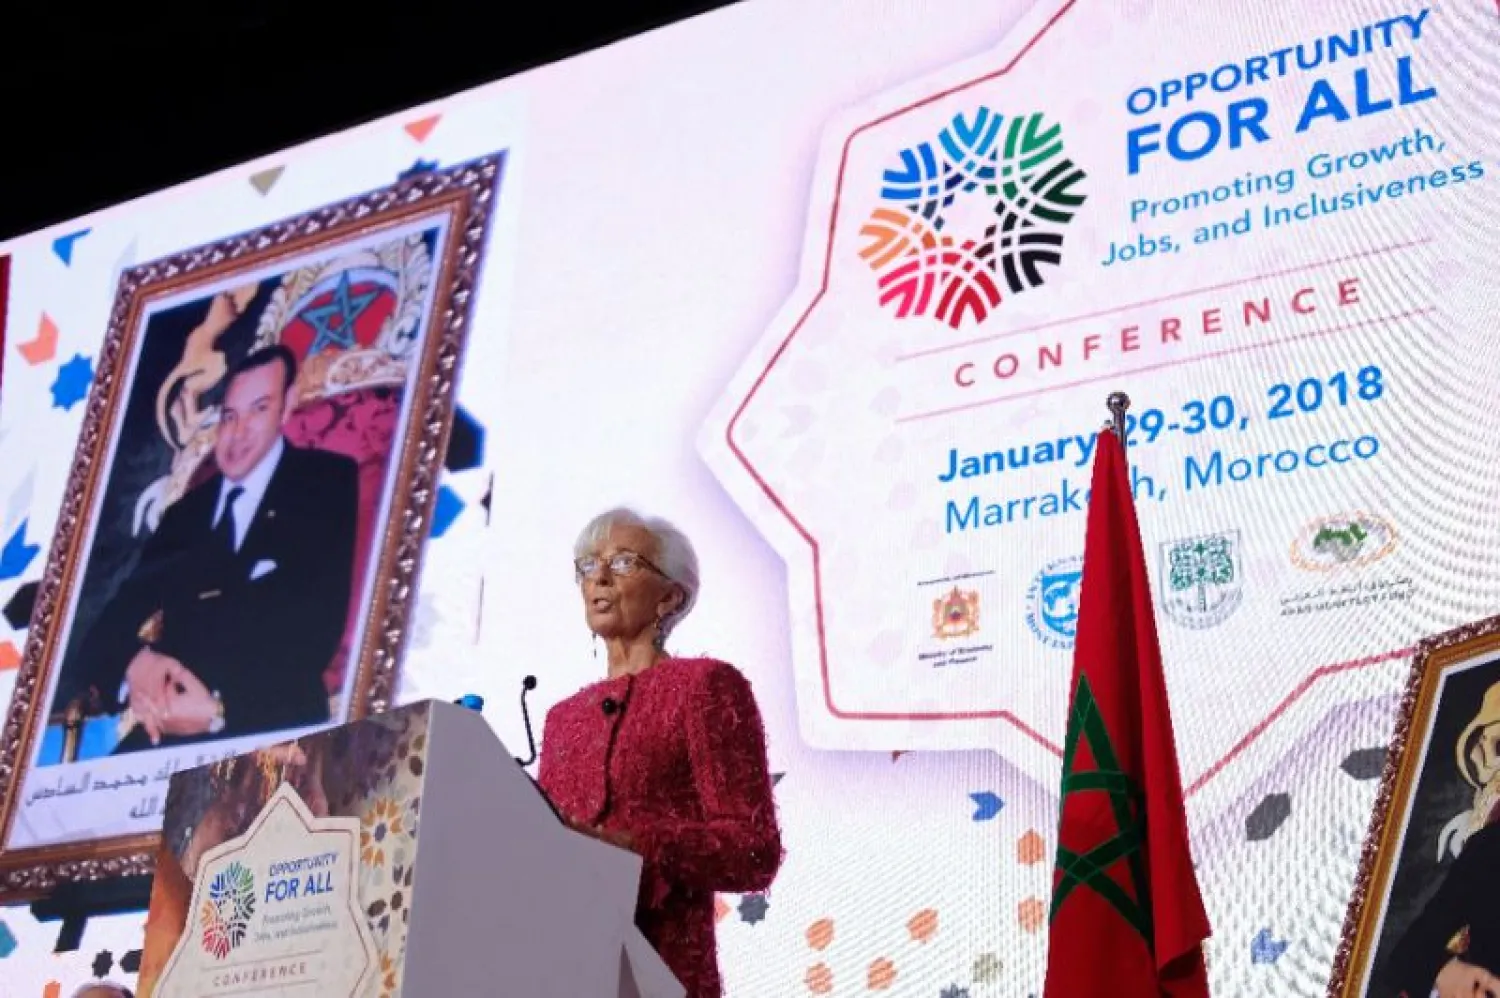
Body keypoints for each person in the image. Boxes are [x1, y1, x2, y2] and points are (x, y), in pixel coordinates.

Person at [538, 508, 783, 998]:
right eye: (588, 565)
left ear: (670, 597)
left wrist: (632, 847)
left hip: (662, 971)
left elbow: (753, 849)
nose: (600, 577)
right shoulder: (560, 719)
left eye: (625, 562)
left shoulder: (704, 686)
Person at [74, 344, 359, 751]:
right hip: (166, 731)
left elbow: (316, 635)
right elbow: (104, 632)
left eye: (259, 409)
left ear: (287, 406)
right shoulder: (186, 513)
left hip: (273, 724)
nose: (238, 433)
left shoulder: (325, 483)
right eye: (229, 416)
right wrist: (137, 666)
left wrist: (218, 713)